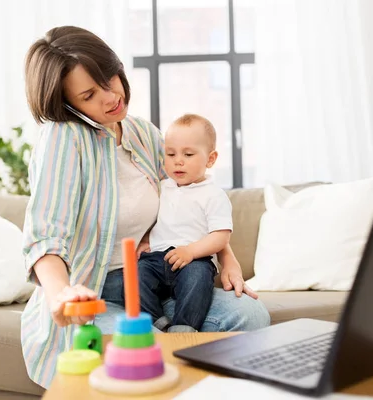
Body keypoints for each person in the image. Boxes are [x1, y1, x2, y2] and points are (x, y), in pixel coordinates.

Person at [21, 25, 270, 389]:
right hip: (97, 295)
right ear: (68, 104)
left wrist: (227, 256)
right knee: (144, 352)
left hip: (155, 282)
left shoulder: (143, 133)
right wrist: (63, 293)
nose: (110, 97)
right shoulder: (63, 138)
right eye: (90, 95)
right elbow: (44, 236)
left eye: (109, 78)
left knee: (250, 316)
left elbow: (186, 198)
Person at [137, 114, 232, 333]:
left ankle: (183, 328)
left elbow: (220, 236)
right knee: (134, 276)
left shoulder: (213, 195)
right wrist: (144, 240)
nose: (178, 160)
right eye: (170, 154)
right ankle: (160, 323)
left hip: (194, 259)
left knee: (198, 279)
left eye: (188, 154)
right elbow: (151, 218)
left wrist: (190, 251)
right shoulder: (163, 187)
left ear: (210, 159)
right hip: (158, 258)